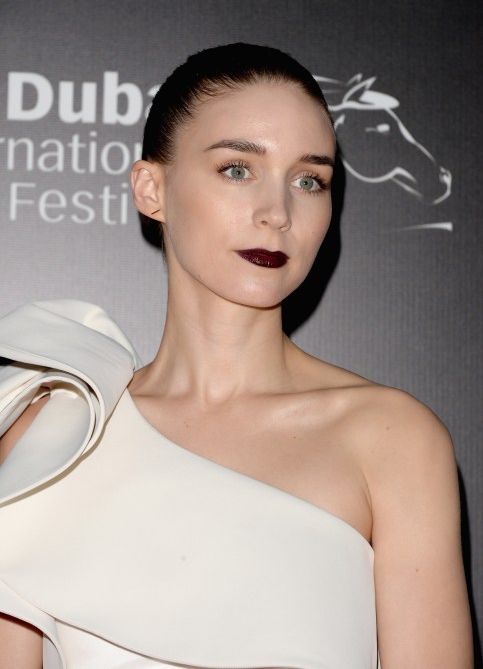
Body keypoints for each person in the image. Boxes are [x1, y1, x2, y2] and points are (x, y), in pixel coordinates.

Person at [0, 43, 473, 668]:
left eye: (309, 180)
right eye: (237, 169)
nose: (278, 213)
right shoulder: (56, 435)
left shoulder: (392, 439)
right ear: (151, 189)